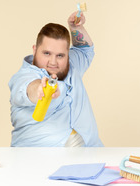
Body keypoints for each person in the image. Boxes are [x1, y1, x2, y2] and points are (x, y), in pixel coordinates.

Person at [8, 11, 103, 147]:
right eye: (46, 53)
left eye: (60, 55)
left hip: (90, 152)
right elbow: (29, 89)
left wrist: (76, 28)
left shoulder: (71, 64)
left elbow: (84, 50)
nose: (53, 62)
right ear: (34, 50)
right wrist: (41, 89)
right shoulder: (23, 77)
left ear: (67, 55)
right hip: (38, 158)